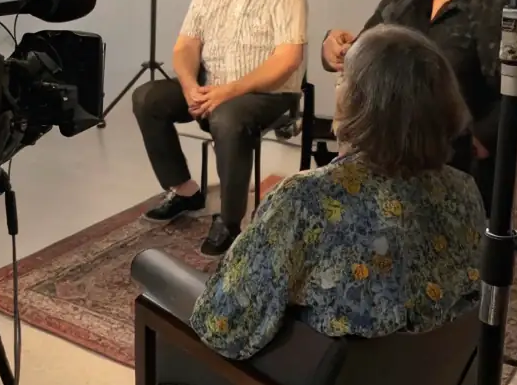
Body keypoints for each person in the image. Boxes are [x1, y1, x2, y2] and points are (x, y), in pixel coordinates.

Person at [191, 25, 485, 362]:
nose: (336, 86)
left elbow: (225, 326)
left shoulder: (306, 199)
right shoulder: (464, 191)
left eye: (343, 78)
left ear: (361, 101)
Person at [133, 0, 307, 256]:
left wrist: (228, 91)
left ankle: (229, 221)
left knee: (227, 117)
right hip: (211, 84)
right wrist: (188, 86)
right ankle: (185, 191)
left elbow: (288, 59)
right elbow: (186, 45)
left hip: (267, 92)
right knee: (147, 98)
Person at [322, 0, 510, 206]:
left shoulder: (495, 2)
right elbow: (368, 48)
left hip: (453, 160)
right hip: (387, 145)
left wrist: (482, 139)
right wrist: (334, 47)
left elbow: (510, 90)